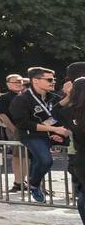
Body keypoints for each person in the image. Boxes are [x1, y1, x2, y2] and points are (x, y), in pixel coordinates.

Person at [9, 66, 71, 203]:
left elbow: (56, 113)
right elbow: (23, 123)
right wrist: (55, 130)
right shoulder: (21, 100)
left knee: (75, 149)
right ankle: (34, 184)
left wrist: (69, 96)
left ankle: (77, 187)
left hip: (52, 134)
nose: (53, 82)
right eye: (49, 79)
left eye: (54, 79)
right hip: (31, 135)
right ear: (35, 81)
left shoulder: (53, 97)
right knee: (45, 160)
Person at [61, 74, 85, 225]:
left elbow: (55, 112)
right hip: (80, 158)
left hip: (80, 159)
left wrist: (68, 96)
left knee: (82, 196)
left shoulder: (72, 112)